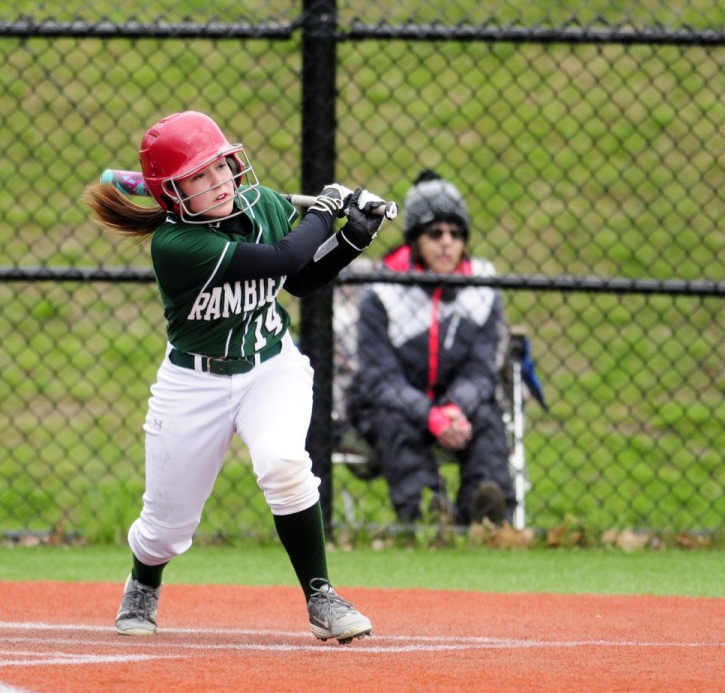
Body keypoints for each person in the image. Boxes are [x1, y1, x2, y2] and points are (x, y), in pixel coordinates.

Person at [83, 110, 387, 644]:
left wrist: (349, 240)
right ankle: (143, 581)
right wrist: (326, 210)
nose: (218, 181)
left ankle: (321, 595)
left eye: (220, 166)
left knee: (285, 462)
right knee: (166, 528)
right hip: (193, 383)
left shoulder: (263, 204)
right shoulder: (176, 246)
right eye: (197, 177)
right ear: (172, 194)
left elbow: (298, 277)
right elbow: (285, 253)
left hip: (271, 366)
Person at [347, 169, 515, 527]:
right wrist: (430, 415)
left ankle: (484, 516)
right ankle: (426, 514)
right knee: (394, 423)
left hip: (454, 403)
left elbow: (482, 368)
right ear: (413, 239)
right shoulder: (382, 292)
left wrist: (454, 407)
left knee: (485, 419)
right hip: (394, 403)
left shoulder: (483, 289)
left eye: (456, 233)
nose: (446, 242)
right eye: (434, 232)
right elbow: (381, 378)